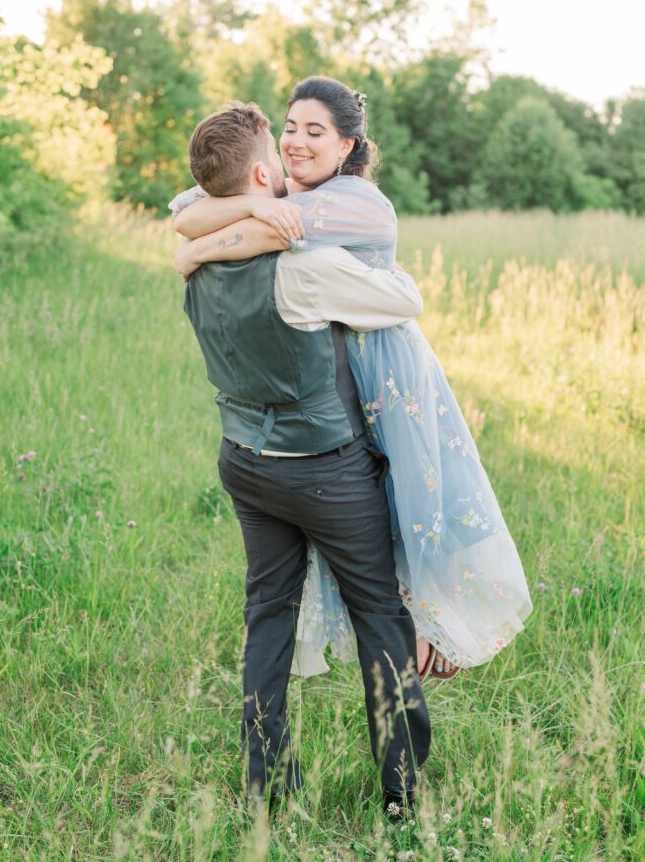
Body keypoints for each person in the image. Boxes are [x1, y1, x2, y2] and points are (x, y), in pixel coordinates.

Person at [172, 76, 533, 684]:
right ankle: (412, 644)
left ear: (347, 146)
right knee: (363, 532)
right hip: (331, 379)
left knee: (403, 512)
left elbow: (228, 231)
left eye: (316, 132)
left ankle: (431, 636)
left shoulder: (357, 200)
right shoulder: (282, 192)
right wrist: (255, 202)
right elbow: (185, 210)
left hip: (385, 374)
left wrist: (201, 249)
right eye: (290, 128)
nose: (296, 142)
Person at [177, 100, 431, 816]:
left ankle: (266, 785)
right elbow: (402, 300)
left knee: (267, 614)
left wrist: (205, 235)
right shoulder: (306, 267)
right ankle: (401, 790)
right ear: (264, 173)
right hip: (324, 468)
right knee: (380, 613)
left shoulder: (193, 266)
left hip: (242, 460)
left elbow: (192, 223)